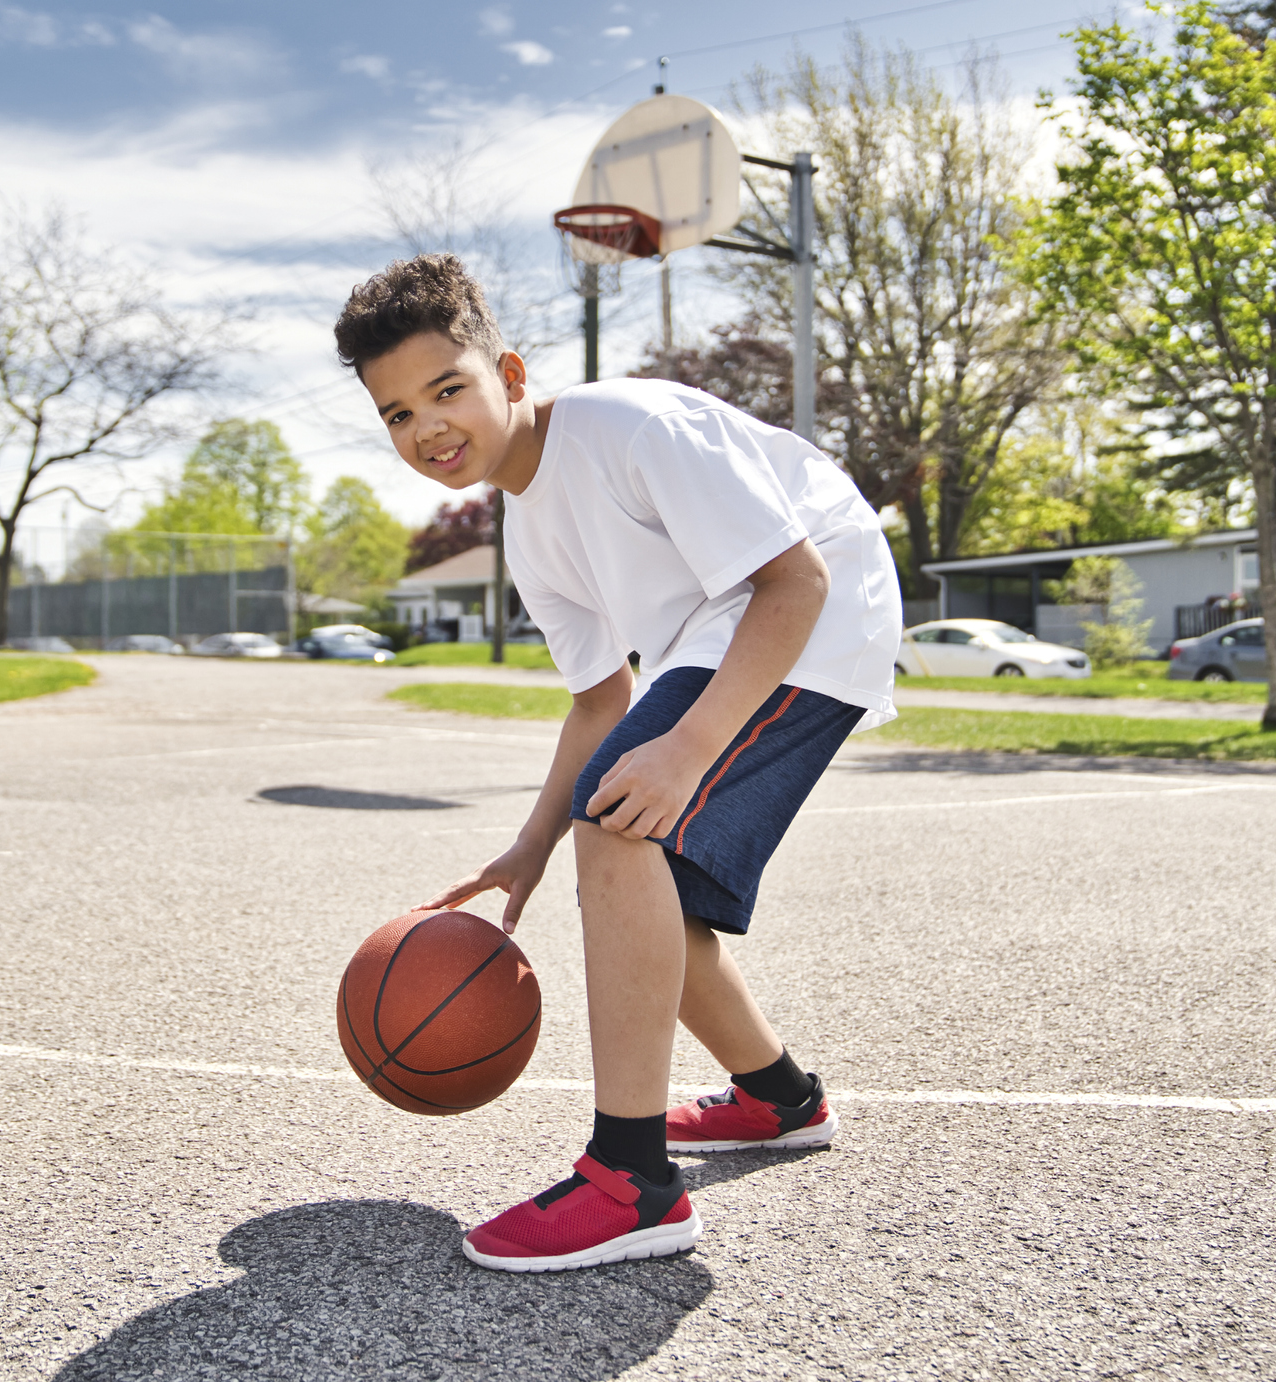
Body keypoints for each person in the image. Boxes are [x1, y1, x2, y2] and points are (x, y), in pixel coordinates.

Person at [334, 255, 902, 1273]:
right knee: (639, 881)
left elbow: (795, 580)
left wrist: (687, 747)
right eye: (397, 414)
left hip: (820, 608)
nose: (427, 428)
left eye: (447, 389)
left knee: (625, 817)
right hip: (720, 629)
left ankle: (632, 1182)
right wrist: (530, 846)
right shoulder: (529, 532)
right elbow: (599, 699)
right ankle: (779, 1097)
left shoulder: (625, 427)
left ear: (508, 373)